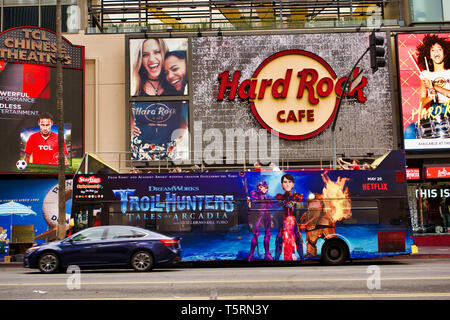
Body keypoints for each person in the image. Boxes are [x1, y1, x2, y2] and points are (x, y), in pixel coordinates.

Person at [405, 34, 450, 139]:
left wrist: (434, 86)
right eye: (433, 50)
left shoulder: (449, 72)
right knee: (410, 130)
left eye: (439, 49)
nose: (436, 53)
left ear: (445, 53)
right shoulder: (425, 75)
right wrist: (431, 96)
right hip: (434, 111)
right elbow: (422, 102)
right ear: (429, 54)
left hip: (448, 109)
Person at [274, 174, 304, 261]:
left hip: (293, 221)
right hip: (284, 221)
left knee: (298, 239)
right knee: (279, 240)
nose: (287, 184)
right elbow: (280, 202)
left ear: (293, 184)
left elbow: (298, 198)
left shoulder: (297, 196)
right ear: (282, 185)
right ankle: (276, 259)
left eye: (289, 182)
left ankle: (302, 259)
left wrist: (292, 199)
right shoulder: (280, 196)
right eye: (285, 182)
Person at [248, 181, 273, 261]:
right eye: (259, 187)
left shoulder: (267, 198)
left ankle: (267, 253)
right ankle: (251, 254)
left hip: (267, 216)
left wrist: (271, 219)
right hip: (259, 216)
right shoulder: (257, 196)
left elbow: (269, 207)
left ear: (266, 188)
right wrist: (249, 202)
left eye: (262, 187)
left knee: (267, 234)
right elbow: (251, 207)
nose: (260, 189)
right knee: (256, 234)